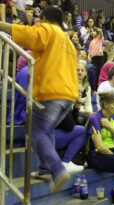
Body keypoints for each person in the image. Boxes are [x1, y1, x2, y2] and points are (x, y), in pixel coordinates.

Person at [0, 6, 78, 191]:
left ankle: (57, 170)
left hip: (52, 92)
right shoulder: (67, 41)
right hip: (69, 95)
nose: (37, 23)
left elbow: (30, 35)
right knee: (47, 129)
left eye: (39, 19)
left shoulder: (48, 29)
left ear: (43, 18)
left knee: (36, 132)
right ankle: (45, 168)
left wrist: (2, 25)